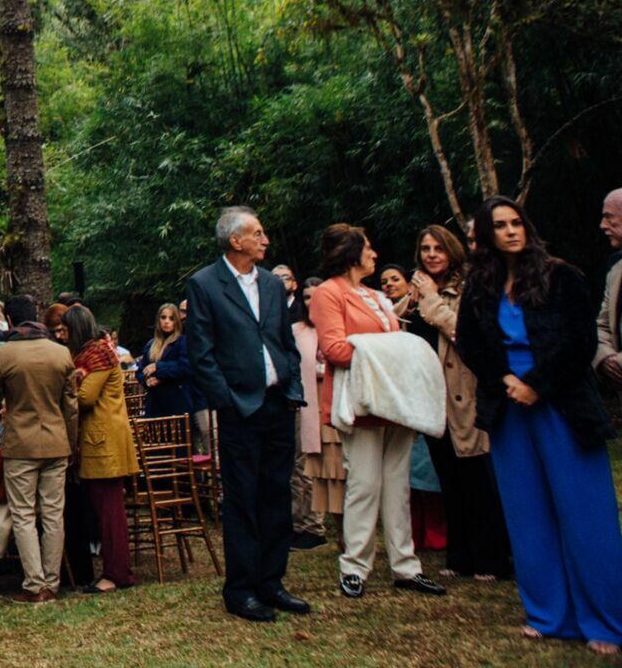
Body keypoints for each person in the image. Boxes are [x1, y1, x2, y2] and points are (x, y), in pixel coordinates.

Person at [456, 195, 622, 654]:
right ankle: (549, 614)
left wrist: (537, 384)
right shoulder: (479, 285)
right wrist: (505, 379)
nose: (511, 231)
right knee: (527, 513)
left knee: (585, 513)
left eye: (516, 222)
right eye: (501, 225)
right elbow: (470, 341)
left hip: (561, 403)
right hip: (508, 406)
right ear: (487, 235)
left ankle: (606, 621)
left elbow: (580, 341)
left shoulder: (561, 276)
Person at [184, 207, 309, 623]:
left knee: (276, 494)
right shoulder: (205, 284)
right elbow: (201, 354)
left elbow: (284, 341)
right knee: (242, 498)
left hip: (278, 402)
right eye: (258, 233)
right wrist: (228, 401)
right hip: (239, 407)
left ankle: (272, 582)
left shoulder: (273, 284)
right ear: (235, 240)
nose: (266, 239)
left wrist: (293, 385)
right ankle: (240, 589)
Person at [312, 223, 444, 600]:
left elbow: (387, 343)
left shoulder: (374, 296)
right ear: (351, 253)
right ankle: (355, 566)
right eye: (368, 248)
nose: (374, 253)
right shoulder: (328, 293)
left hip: (393, 400)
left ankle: (406, 566)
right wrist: (393, 350)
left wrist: (393, 352)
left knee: (398, 485)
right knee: (364, 484)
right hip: (361, 401)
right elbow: (336, 349)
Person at [407, 224, 510, 580]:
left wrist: (433, 299)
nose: (431, 254)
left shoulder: (467, 287)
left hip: (465, 393)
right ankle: (460, 556)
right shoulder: (416, 292)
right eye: (425, 248)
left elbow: (465, 333)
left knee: (477, 479)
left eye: (438, 247)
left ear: (452, 250)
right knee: (448, 479)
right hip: (433, 399)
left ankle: (492, 559)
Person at [0, 294, 77, 604]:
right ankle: (53, 582)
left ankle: (35, 584)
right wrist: (71, 444)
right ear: (37, 317)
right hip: (56, 441)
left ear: (12, 321)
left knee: (23, 515)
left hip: (20, 443)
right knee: (54, 515)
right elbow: (70, 406)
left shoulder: (5, 356)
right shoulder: (60, 354)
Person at [64, 303, 137, 592]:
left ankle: (118, 573)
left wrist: (65, 387)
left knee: (110, 511)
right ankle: (113, 569)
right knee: (103, 508)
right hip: (98, 439)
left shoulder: (98, 356)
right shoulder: (91, 354)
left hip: (104, 440)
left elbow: (85, 397)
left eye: (66, 330)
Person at [289, 282, 328, 550]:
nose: (311, 302)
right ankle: (299, 523)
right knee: (298, 466)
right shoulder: (295, 330)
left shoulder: (335, 326)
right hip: (301, 405)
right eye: (306, 297)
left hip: (328, 403)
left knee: (320, 466)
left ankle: (316, 525)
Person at [595, 189, 621, 387]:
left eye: (608, 217)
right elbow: (602, 324)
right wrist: (604, 357)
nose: (602, 226)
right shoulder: (615, 267)